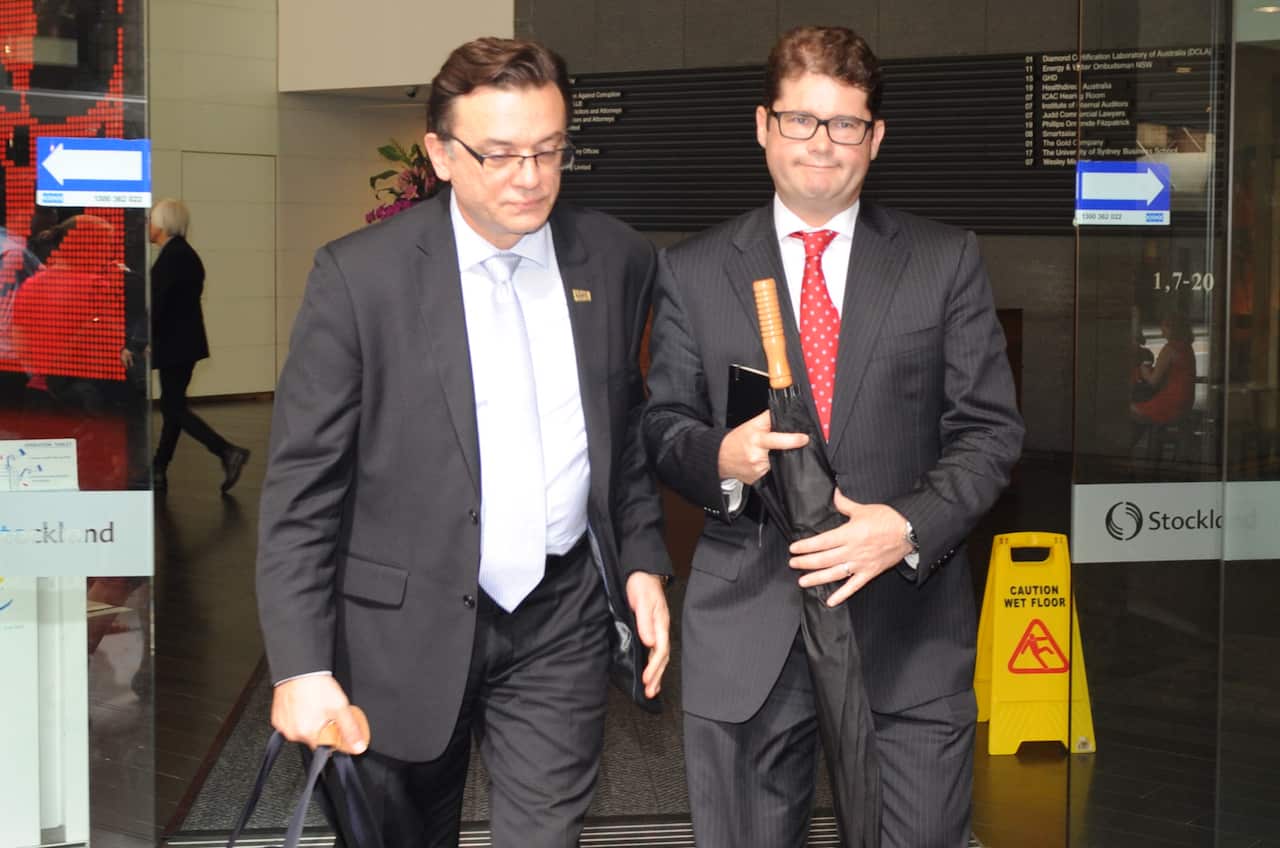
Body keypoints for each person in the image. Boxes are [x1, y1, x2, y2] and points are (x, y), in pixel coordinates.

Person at [256, 36, 673, 848]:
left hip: (558, 617)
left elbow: (621, 438)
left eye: (550, 150)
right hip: (397, 629)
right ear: (441, 154)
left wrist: (642, 561)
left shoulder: (616, 260)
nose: (530, 176)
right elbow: (302, 492)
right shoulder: (360, 279)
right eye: (503, 153)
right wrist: (302, 668)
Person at [642, 26, 1024, 848]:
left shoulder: (943, 260)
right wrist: (721, 458)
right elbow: (662, 424)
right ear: (762, 126)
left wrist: (908, 525)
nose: (822, 145)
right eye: (800, 119)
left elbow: (989, 432)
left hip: (906, 632)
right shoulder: (692, 269)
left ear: (876, 137)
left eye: (845, 124)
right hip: (749, 631)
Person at [142, 198, 249, 493]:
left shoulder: (173, 257)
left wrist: (144, 339)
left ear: (163, 224)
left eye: (151, 220)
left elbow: (161, 304)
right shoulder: (183, 253)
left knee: (173, 407)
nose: (148, 225)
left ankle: (227, 451)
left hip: (176, 344)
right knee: (173, 406)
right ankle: (159, 468)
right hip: (184, 343)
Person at [1131, 312, 1196, 427]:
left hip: (1170, 403)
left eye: (1165, 325)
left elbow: (1152, 382)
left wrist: (1144, 369)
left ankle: (1129, 443)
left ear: (1173, 329)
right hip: (1185, 402)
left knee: (1127, 408)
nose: (1161, 328)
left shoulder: (1169, 349)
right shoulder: (1186, 347)